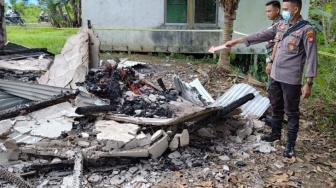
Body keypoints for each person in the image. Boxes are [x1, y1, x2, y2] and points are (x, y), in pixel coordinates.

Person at [223, 0, 317, 158]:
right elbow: (261, 35)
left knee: (292, 112)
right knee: (276, 106)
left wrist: (308, 83)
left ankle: (290, 145)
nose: (284, 12)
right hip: (275, 75)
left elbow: (311, 58)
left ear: (295, 9)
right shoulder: (281, 25)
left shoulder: (306, 30)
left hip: (291, 79)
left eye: (286, 9)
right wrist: (236, 41)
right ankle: (275, 134)